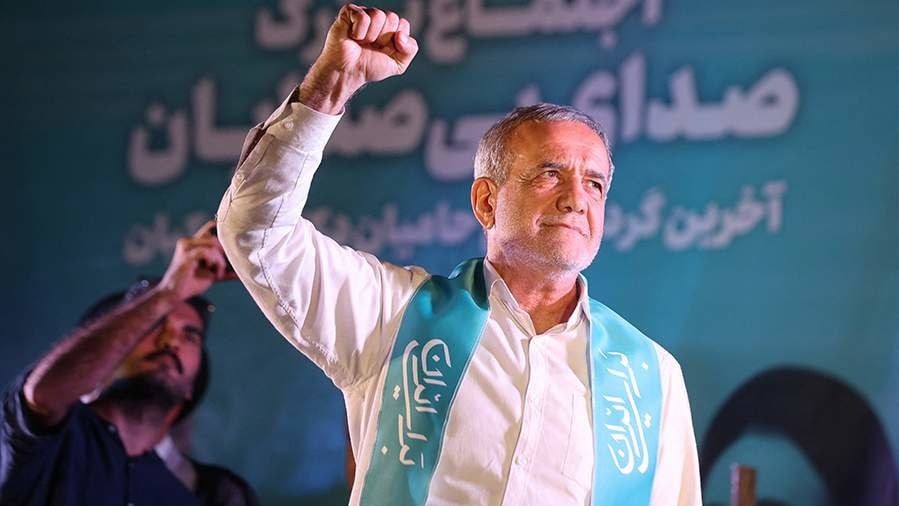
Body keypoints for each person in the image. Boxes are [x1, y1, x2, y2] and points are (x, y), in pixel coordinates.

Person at [216, 4, 700, 504]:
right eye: (550, 174)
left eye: (594, 183)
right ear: (487, 202)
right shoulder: (392, 314)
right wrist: (331, 85)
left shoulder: (650, 376)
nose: (576, 199)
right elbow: (256, 232)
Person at [0, 222, 258, 506]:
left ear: (192, 388)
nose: (170, 341)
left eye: (190, 336)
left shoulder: (186, 495)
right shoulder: (46, 443)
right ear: (106, 356)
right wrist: (169, 292)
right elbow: (42, 397)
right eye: (154, 325)